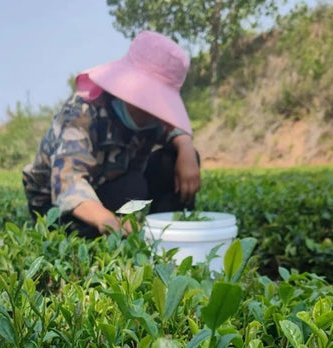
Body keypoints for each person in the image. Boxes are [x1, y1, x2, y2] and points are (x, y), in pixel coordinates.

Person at [22, 30, 201, 238]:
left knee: (169, 161)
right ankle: (104, 225)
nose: (153, 113)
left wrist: (186, 149)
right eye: (147, 100)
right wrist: (106, 220)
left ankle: (167, 234)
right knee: (87, 234)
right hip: (55, 203)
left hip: (110, 187)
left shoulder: (153, 117)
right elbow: (68, 183)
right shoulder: (81, 112)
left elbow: (173, 131)